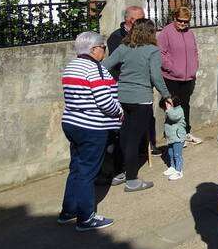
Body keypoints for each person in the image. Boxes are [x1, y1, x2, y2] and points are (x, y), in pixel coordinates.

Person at [58, 31, 122, 231]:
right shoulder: (94, 69)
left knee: (77, 168)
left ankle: (68, 210)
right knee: (87, 172)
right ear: (94, 49)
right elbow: (104, 101)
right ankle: (86, 217)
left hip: (72, 123)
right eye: (103, 47)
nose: (104, 51)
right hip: (91, 127)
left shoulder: (71, 67)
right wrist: (119, 112)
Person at [103, 19, 171, 191]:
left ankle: (119, 172)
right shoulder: (152, 50)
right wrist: (166, 95)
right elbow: (156, 76)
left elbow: (105, 66)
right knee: (133, 139)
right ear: (150, 32)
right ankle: (132, 179)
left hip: (122, 97)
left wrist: (119, 80)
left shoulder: (124, 48)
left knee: (123, 135)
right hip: (141, 99)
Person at [158, 6, 202, 145]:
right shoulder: (166, 33)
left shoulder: (190, 33)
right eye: (180, 21)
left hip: (188, 77)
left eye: (186, 21)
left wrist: (194, 67)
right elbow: (161, 53)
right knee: (173, 108)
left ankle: (185, 132)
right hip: (171, 77)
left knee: (185, 105)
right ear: (174, 18)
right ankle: (173, 136)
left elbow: (194, 51)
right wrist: (171, 68)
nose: (183, 24)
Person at [162, 97, 186, 181]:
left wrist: (168, 109)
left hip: (178, 138)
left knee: (177, 155)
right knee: (170, 154)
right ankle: (172, 167)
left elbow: (173, 117)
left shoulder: (179, 110)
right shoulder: (170, 111)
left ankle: (179, 171)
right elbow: (167, 124)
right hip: (171, 138)